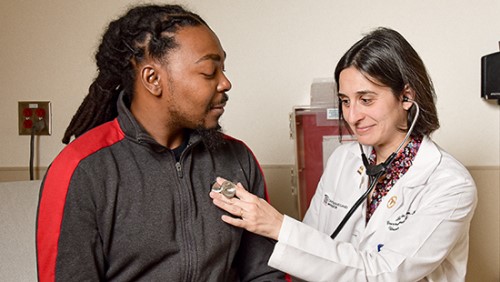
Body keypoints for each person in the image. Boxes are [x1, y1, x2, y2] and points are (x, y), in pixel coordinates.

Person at [36, 4, 285, 281]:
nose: (225, 83)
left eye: (223, 69)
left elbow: (264, 271)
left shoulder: (237, 158)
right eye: (209, 71)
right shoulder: (82, 170)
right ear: (153, 79)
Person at [210, 27, 477, 281]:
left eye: (366, 99)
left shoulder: (450, 185)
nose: (352, 116)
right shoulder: (343, 160)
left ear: (406, 97)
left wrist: (278, 225)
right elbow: (311, 249)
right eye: (345, 101)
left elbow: (386, 273)